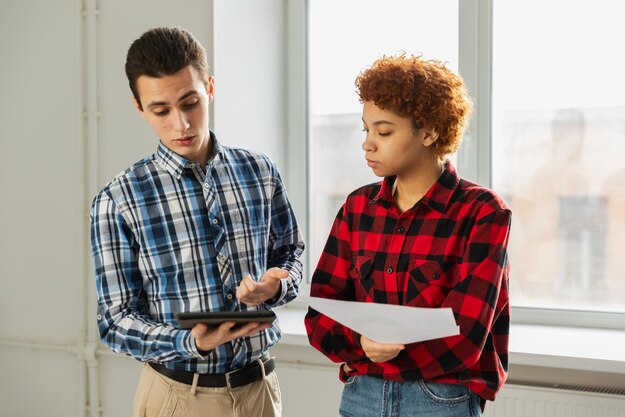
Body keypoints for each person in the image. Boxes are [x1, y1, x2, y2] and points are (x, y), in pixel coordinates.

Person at [90, 26, 304, 417]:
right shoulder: (117, 200)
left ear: (210, 87)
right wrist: (192, 343)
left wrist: (277, 284)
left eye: (190, 103)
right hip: (177, 398)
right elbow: (115, 322)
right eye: (161, 110)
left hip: (260, 391)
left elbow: (291, 253)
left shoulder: (260, 171)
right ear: (139, 108)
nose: (181, 124)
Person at [304, 54, 512, 416]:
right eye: (365, 129)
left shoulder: (482, 212)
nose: (368, 143)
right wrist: (360, 343)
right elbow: (320, 315)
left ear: (429, 131)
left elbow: (466, 337)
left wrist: (375, 352)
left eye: (384, 131)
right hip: (360, 397)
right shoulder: (357, 209)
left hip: (439, 400)